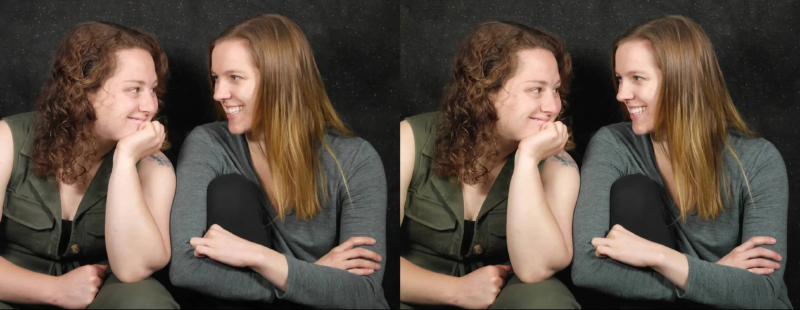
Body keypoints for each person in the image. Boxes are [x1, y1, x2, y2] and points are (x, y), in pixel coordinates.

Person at [168, 14, 388, 308]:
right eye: (216, 77)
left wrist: (259, 257)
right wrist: (312, 276)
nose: (219, 93)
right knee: (229, 191)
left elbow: (363, 293)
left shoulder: (355, 159)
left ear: (279, 80)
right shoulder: (209, 143)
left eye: (235, 77)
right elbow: (185, 268)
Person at [571, 15, 791, 309]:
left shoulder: (758, 160)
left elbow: (762, 292)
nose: (622, 94)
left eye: (637, 78)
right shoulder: (615, 144)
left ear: (682, 80)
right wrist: (713, 276)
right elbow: (587, 268)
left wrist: (660, 257)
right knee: (632, 191)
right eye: (620, 78)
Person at [399, 21, 581, 309]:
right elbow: (374, 256)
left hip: (502, 295)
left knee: (546, 300)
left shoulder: (558, 164)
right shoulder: (410, 139)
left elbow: (535, 270)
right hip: (416, 290)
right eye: (536, 89)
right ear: (484, 90)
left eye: (556, 90)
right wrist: (456, 291)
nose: (553, 107)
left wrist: (527, 161)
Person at [0, 22, 177, 309]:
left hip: (100, 294)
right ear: (83, 90)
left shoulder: (154, 165)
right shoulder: (7, 140)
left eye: (153, 90)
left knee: (146, 301)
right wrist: (54, 290)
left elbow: (134, 269)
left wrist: (125, 161)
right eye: (134, 89)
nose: (150, 106)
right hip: (12, 289)